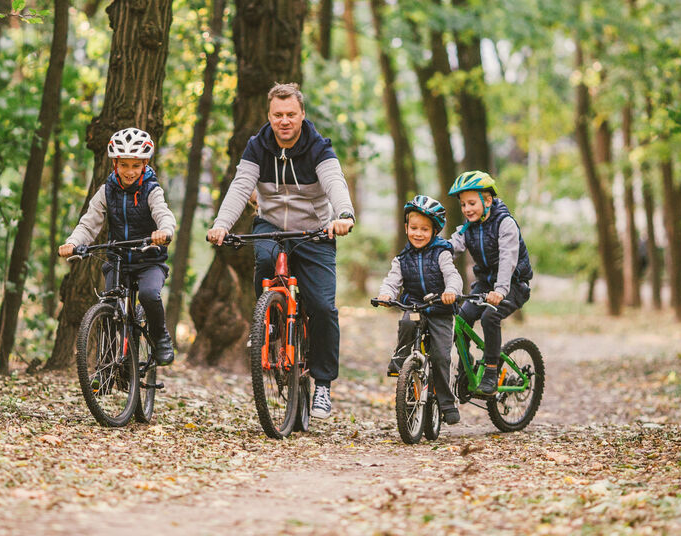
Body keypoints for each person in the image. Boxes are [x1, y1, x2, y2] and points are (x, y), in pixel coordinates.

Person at [206, 83, 355, 419]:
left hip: (315, 231)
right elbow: (240, 186)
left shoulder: (318, 147)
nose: (284, 121)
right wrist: (222, 224)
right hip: (270, 225)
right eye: (278, 115)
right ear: (269, 116)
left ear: (302, 114)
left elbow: (335, 182)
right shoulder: (257, 147)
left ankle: (323, 386)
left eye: (291, 114)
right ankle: (267, 324)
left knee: (321, 306)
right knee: (265, 261)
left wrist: (344, 215)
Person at [59, 127, 177, 365]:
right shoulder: (107, 190)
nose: (130, 171)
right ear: (115, 164)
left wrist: (164, 231)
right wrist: (73, 242)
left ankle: (160, 337)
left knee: (148, 295)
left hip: (149, 259)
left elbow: (164, 214)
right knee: (109, 306)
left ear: (145, 163)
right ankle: (107, 363)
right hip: (118, 259)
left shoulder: (151, 190)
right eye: (124, 165)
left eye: (135, 165)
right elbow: (89, 223)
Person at [376, 195, 463, 424]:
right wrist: (386, 294)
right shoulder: (402, 258)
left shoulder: (442, 253)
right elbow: (392, 281)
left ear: (434, 231)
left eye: (425, 229)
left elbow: (453, 276)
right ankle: (403, 359)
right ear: (406, 228)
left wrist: (451, 290)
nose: (418, 233)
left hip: (440, 310)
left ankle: (446, 402)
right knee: (406, 322)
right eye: (414, 228)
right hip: (416, 306)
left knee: (441, 356)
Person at [447, 171, 533, 395]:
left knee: (489, 316)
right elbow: (449, 249)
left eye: (472, 203)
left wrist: (501, 290)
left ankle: (492, 372)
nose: (467, 209)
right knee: (462, 317)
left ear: (487, 200)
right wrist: (430, 258)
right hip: (485, 284)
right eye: (463, 204)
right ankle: (466, 369)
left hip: (513, 284)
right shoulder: (468, 228)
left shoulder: (505, 224)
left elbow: (508, 260)